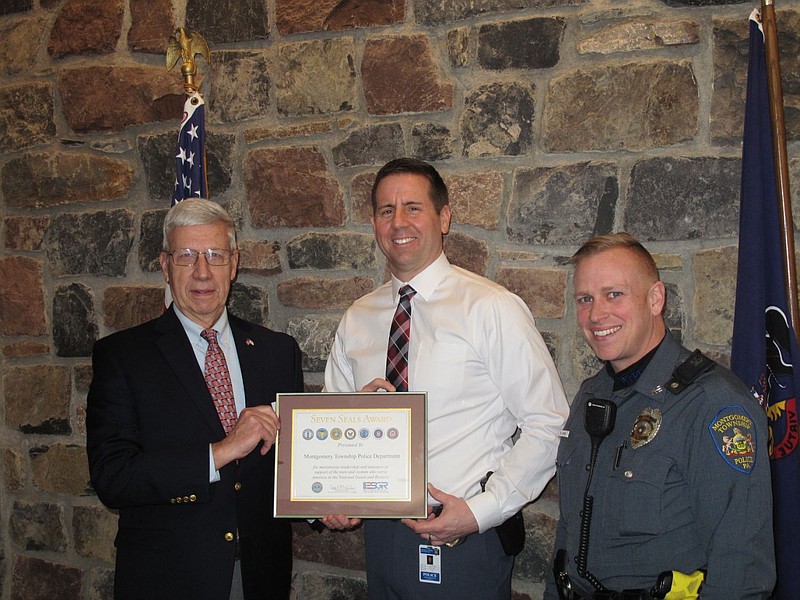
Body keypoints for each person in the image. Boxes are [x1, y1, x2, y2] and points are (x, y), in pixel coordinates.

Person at [322, 157, 569, 599]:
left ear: (445, 217)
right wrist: (335, 496)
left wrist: (479, 512)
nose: (399, 221)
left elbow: (548, 422)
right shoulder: (357, 318)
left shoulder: (492, 308)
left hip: (463, 539)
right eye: (385, 210)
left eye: (413, 207)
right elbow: (329, 423)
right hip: (381, 536)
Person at [86, 198, 303, 600]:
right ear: (165, 266)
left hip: (259, 576)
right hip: (168, 578)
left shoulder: (277, 352)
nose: (202, 271)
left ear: (234, 264)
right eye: (186, 256)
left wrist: (332, 502)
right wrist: (220, 451)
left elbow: (294, 463)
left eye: (215, 256)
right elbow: (113, 478)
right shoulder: (123, 357)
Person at [545, 232, 775, 599]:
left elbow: (742, 572)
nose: (596, 314)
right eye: (585, 299)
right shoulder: (593, 394)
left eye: (614, 294)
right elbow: (570, 533)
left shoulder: (712, 405)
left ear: (655, 299)